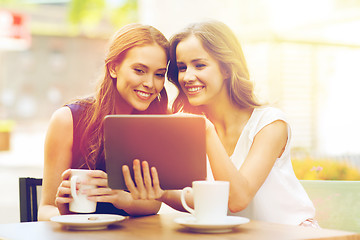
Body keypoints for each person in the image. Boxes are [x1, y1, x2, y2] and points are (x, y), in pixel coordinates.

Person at [122, 20, 318, 227]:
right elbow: (206, 200)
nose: (187, 77)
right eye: (182, 67)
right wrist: (162, 193)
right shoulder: (192, 127)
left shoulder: (270, 124)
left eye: (199, 65)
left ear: (226, 69)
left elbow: (237, 199)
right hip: (239, 234)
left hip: (294, 234)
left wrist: (206, 131)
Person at [38, 23, 170, 221]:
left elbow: (153, 203)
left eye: (159, 74)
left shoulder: (157, 122)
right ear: (113, 68)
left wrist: (120, 198)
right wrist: (64, 212)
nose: (150, 83)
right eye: (140, 70)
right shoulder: (67, 120)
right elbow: (45, 210)